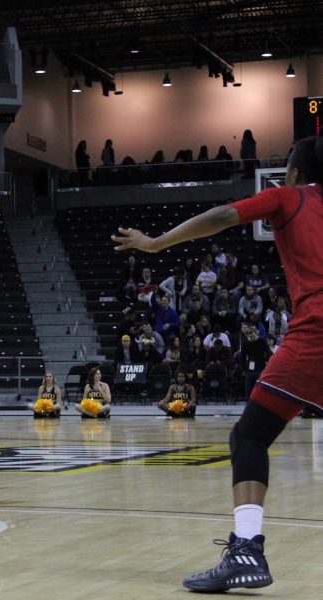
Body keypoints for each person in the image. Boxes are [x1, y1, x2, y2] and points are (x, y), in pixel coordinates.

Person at [111, 134, 323, 593]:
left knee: (249, 435)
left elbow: (225, 215)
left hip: (317, 336)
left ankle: (246, 550)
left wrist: (155, 244)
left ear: (293, 173)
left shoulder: (290, 196)